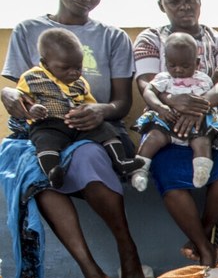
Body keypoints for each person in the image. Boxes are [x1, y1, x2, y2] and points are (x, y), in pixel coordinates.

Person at [2, 0, 145, 278]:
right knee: (40, 175)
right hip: (41, 131)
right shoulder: (28, 31)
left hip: (90, 128)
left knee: (88, 159)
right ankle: (90, 270)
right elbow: (12, 86)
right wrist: (9, 95)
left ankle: (126, 246)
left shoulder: (112, 37)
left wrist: (99, 111)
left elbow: (121, 103)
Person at [132, 0, 218, 267]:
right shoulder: (150, 38)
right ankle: (206, 249)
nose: (184, 7)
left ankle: (200, 236)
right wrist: (171, 102)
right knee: (170, 178)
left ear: (199, 1)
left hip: (206, 126)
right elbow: (145, 83)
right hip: (165, 122)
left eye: (190, 0)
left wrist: (198, 105)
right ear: (161, 5)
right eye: (174, 2)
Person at [15, 28, 143, 188]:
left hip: (77, 124)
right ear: (46, 63)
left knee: (106, 129)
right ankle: (52, 173)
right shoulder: (32, 78)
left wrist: (88, 112)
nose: (73, 73)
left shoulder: (80, 83)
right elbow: (21, 98)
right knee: (45, 141)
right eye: (65, 68)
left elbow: (89, 103)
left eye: (78, 67)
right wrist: (32, 109)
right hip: (47, 124)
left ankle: (121, 161)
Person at [132, 32, 218, 191]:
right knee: (152, 138)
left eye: (185, 66)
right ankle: (140, 170)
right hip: (167, 122)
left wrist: (216, 77)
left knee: (203, 142)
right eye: (172, 65)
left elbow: (209, 96)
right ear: (166, 62)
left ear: (197, 63)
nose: (178, 70)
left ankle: (201, 170)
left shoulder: (204, 79)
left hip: (195, 125)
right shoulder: (163, 78)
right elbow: (149, 91)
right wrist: (160, 107)